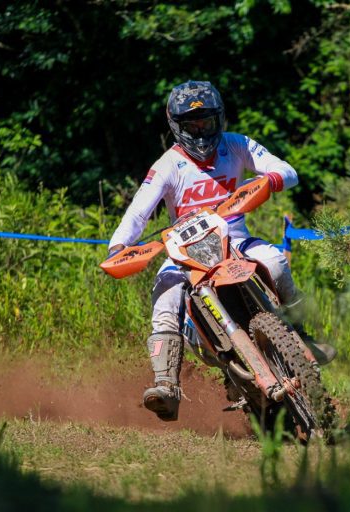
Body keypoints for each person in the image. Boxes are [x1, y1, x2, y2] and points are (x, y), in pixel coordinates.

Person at [107, 80, 335, 421]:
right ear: (176, 127)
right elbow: (138, 212)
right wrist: (119, 246)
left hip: (236, 242)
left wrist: (270, 180)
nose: (201, 132)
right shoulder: (167, 165)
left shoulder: (237, 145)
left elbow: (287, 170)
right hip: (183, 254)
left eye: (207, 123)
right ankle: (166, 384)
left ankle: (302, 335)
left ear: (220, 120)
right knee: (165, 298)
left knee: (274, 262)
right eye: (192, 125)